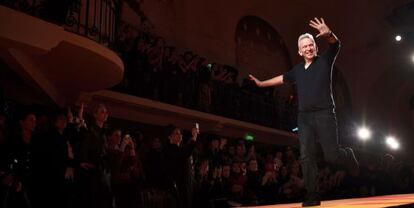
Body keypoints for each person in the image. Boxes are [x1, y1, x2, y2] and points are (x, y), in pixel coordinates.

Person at [248, 17, 358, 207]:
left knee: (331, 156)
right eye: (304, 46)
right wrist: (261, 83)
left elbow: (335, 45)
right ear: (299, 51)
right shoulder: (297, 70)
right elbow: (282, 78)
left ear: (315, 47)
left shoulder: (325, 60)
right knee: (306, 155)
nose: (308, 48)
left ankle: (347, 154)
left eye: (311, 45)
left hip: (324, 113)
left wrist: (329, 33)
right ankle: (312, 195)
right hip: (304, 117)